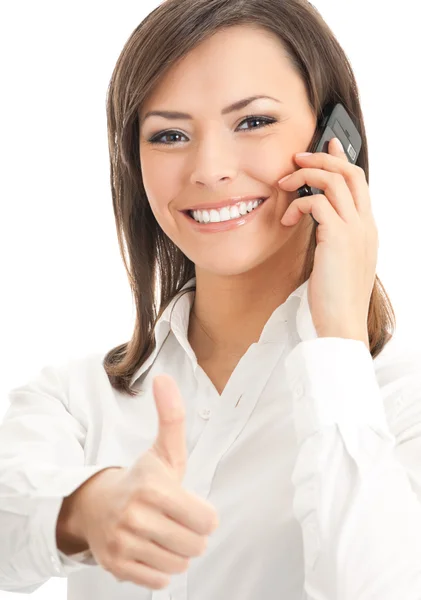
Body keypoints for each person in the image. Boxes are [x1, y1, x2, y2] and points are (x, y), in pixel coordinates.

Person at [1, 0, 421, 598]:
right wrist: (87, 511)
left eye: (253, 122)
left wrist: (337, 344)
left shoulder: (400, 401)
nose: (210, 169)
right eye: (169, 134)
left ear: (335, 142)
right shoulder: (78, 398)